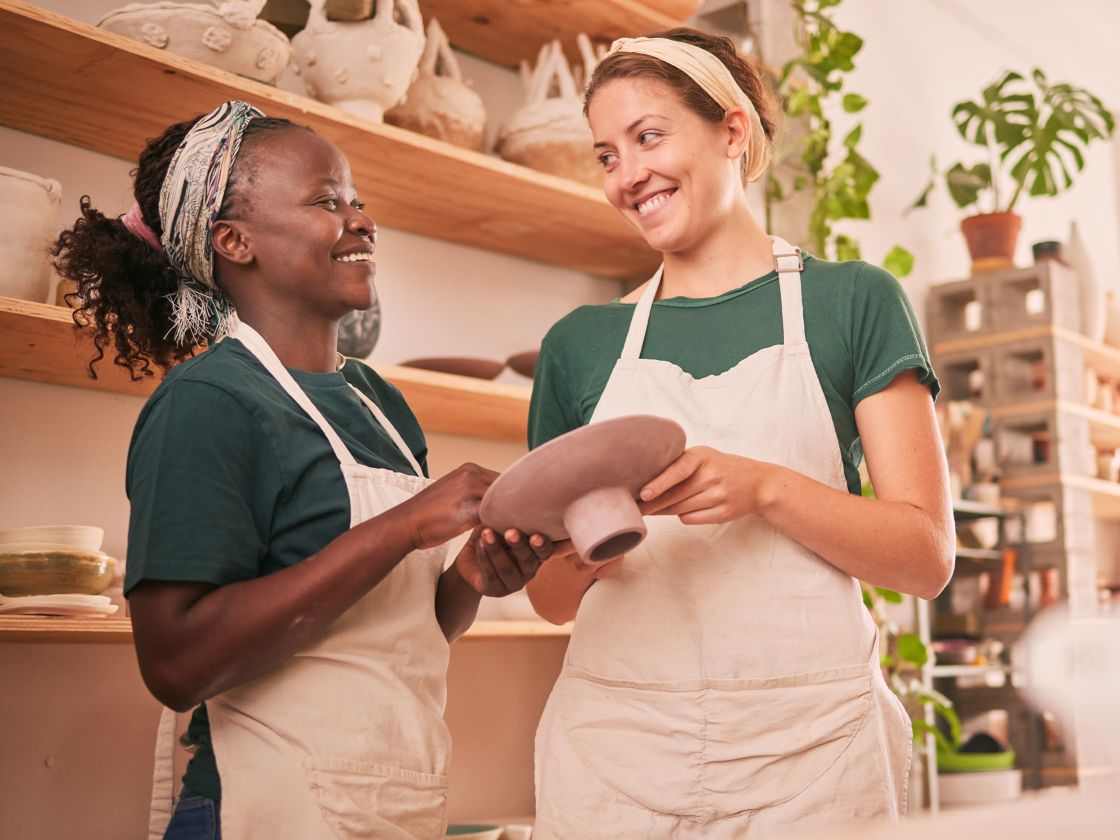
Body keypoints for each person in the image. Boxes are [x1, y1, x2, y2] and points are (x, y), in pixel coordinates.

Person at [52, 100, 553, 840]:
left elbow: (403, 634)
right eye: (327, 201)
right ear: (234, 240)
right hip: (258, 809)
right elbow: (176, 661)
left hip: (390, 806)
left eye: (357, 200)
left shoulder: (378, 402)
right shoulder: (207, 403)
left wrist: (472, 578)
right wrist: (407, 526)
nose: (361, 220)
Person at [526, 29, 955, 839]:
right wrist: (590, 546)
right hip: (616, 753)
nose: (629, 176)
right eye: (607, 155)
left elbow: (926, 557)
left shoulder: (853, 302)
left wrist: (764, 488)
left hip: (812, 754)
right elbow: (550, 599)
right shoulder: (578, 345)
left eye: (648, 137)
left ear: (732, 131)